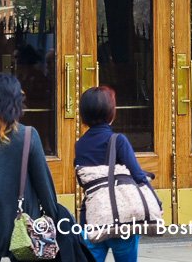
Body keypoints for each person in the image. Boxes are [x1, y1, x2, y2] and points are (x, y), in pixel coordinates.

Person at [0, 74, 63, 262]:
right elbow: (44, 188)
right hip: (21, 224)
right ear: (15, 103)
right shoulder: (28, 136)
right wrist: (55, 221)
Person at [75, 86, 151, 262]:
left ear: (83, 114)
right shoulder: (118, 140)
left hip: (92, 218)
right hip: (121, 219)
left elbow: (83, 180)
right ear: (111, 113)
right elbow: (138, 176)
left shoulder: (80, 145)